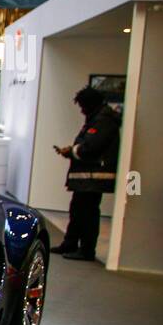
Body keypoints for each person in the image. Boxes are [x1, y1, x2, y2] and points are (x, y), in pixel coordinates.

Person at [53, 86, 121, 262]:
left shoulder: (103, 120)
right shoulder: (98, 118)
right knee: (77, 210)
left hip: (94, 177)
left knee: (87, 213)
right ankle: (70, 243)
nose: (82, 110)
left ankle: (86, 249)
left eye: (83, 106)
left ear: (90, 104)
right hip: (87, 177)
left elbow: (91, 147)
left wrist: (72, 150)